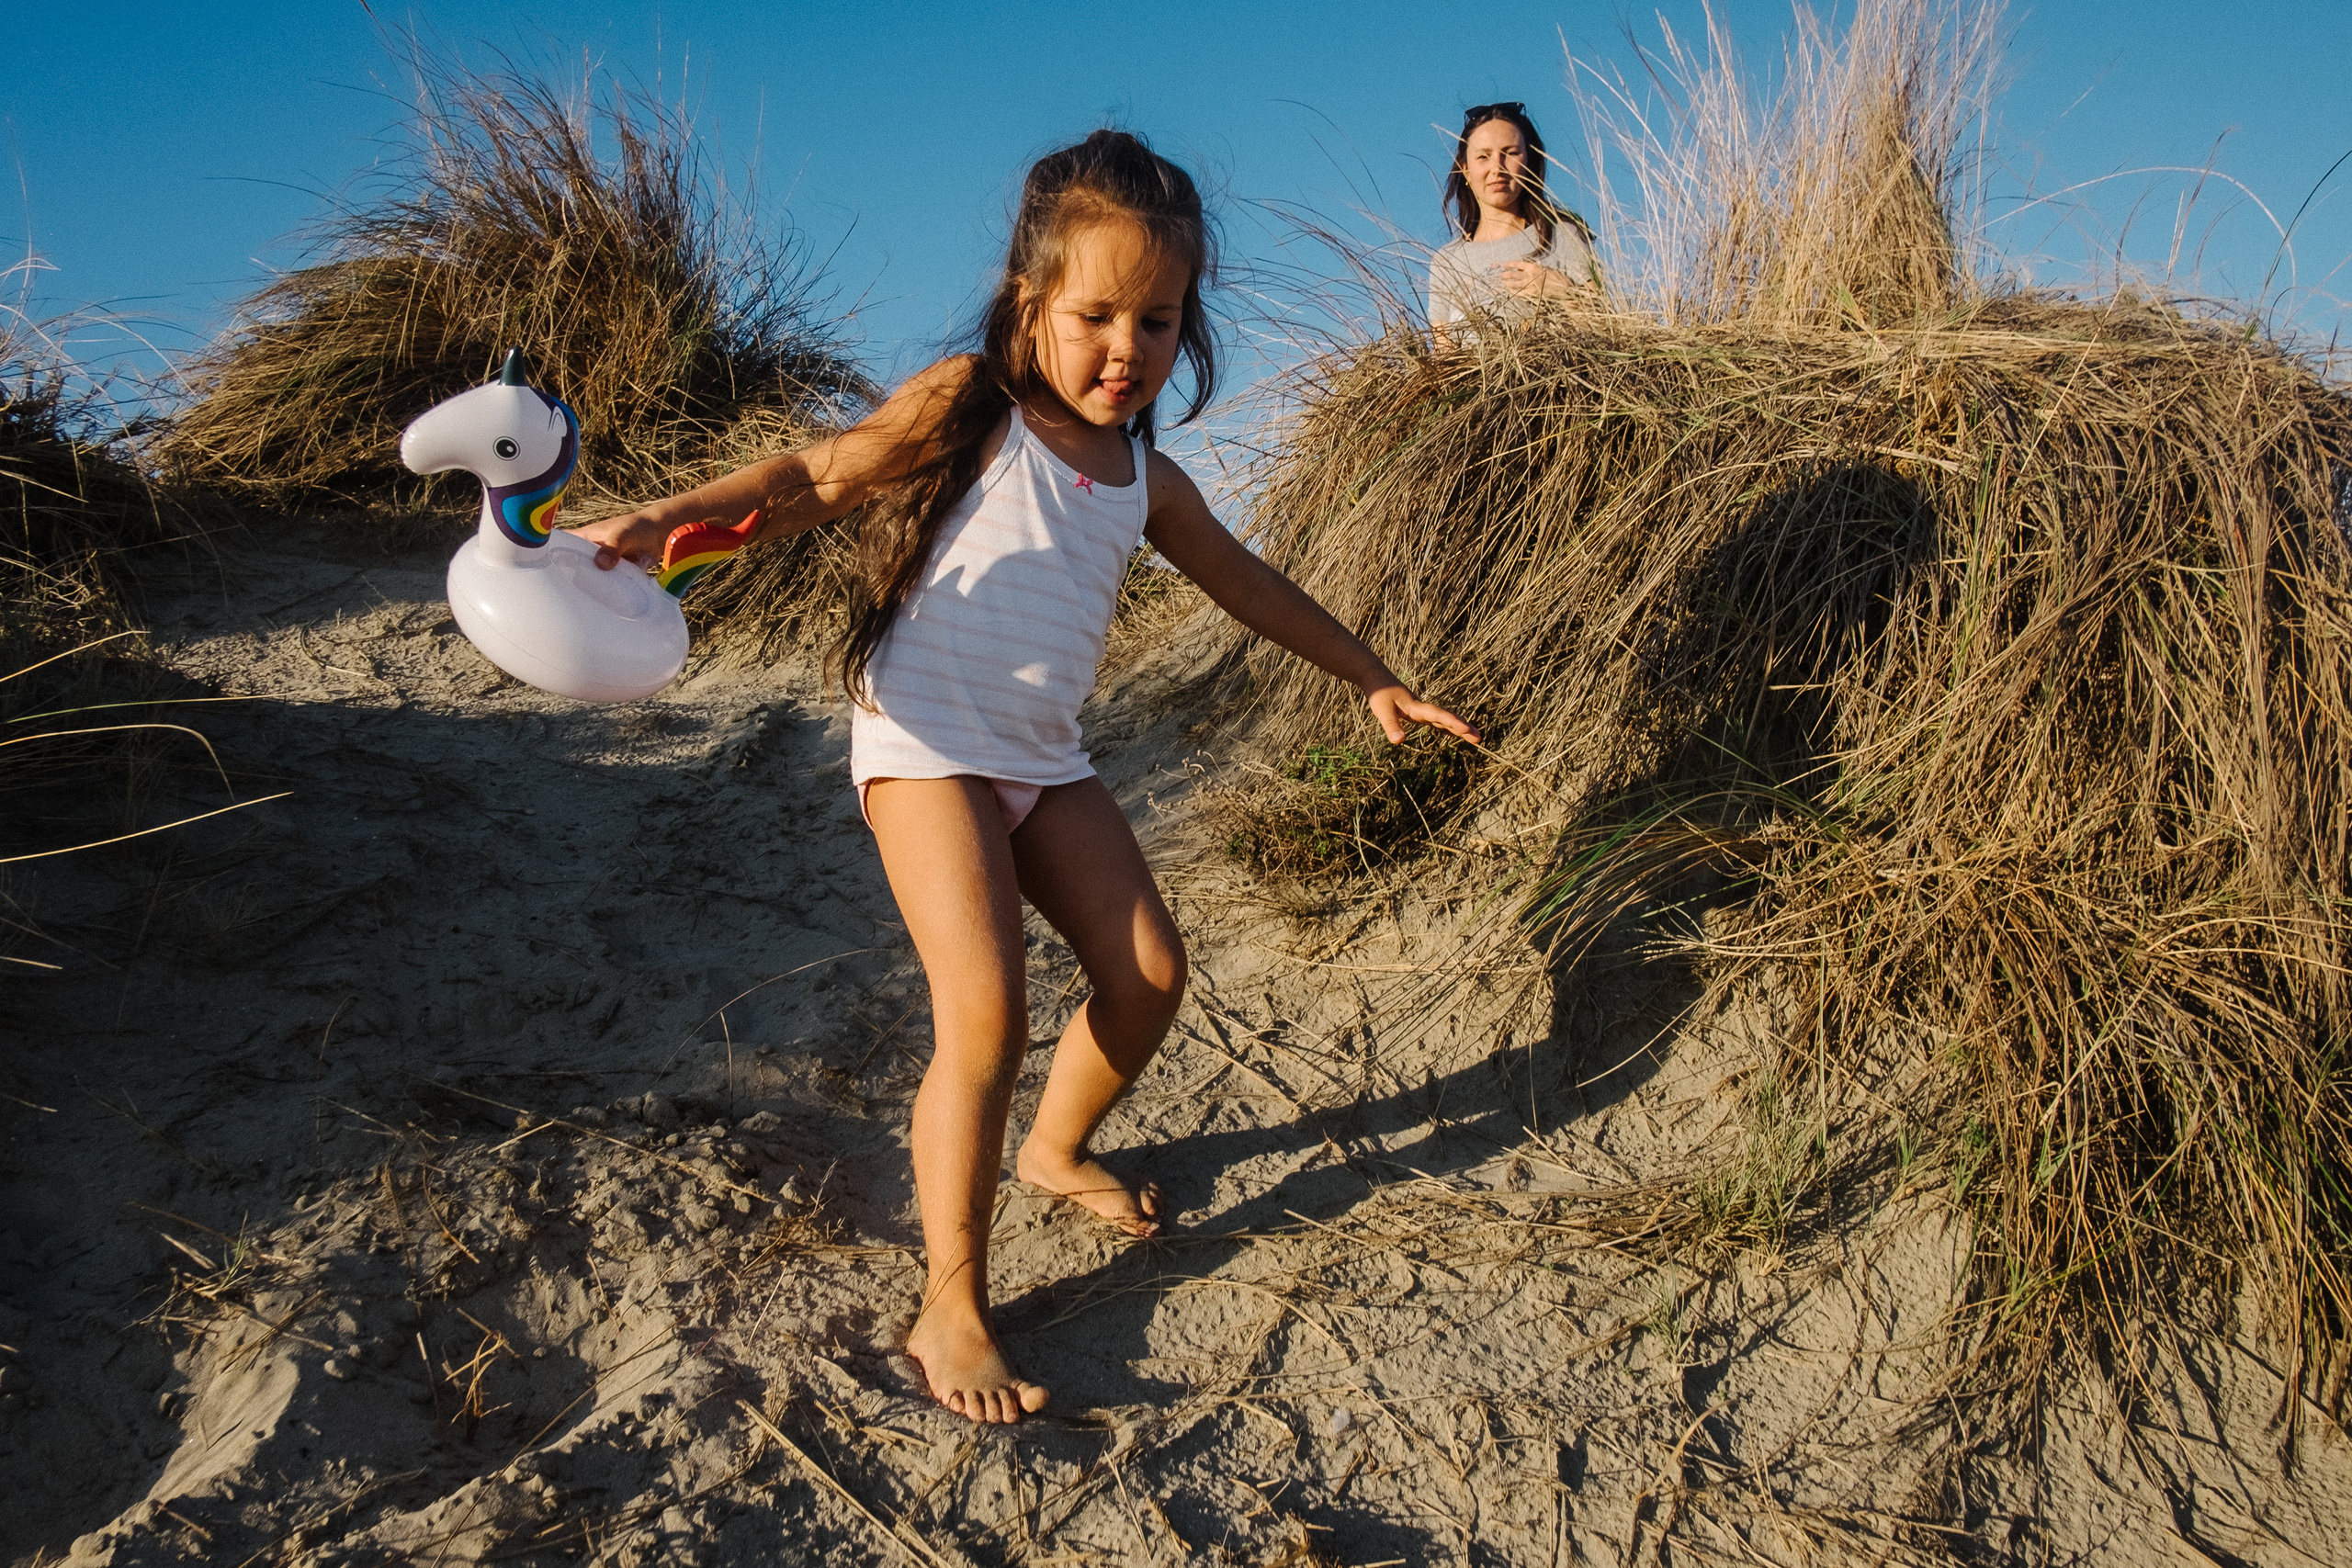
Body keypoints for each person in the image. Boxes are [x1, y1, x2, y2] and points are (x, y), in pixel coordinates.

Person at [575, 130, 1479, 1426]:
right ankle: (953, 1294)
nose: (1129, 348)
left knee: (1150, 973)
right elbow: (812, 478)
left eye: (1158, 320)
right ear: (1028, 305)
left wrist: (1368, 671)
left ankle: (1055, 1148)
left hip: (1043, 761)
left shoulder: (1146, 481)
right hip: (924, 743)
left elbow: (1249, 583)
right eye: (1097, 313)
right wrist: (668, 519)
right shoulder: (967, 407)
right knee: (985, 1009)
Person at [1427, 101, 1600, 344]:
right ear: (1465, 171)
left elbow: (1606, 331)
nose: (1497, 168)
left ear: (1529, 161)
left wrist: (1566, 294)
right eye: (1483, 157)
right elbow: (1444, 360)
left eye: (1510, 154)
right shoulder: (1446, 263)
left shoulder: (1563, 235)